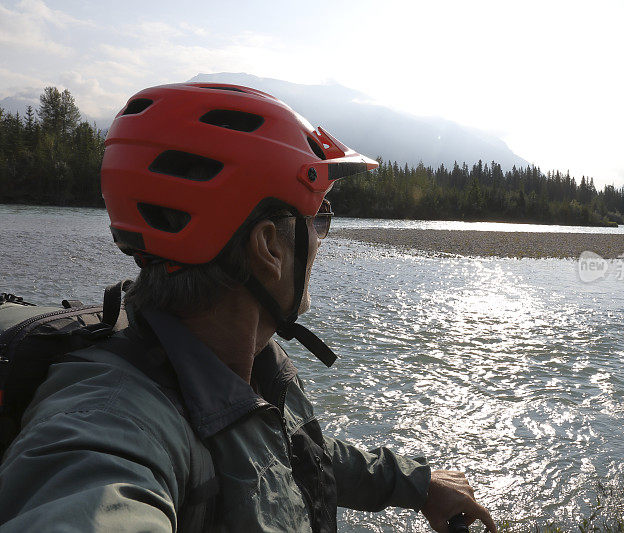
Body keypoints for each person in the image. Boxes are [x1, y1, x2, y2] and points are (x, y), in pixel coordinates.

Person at [0, 83, 497, 533]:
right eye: (317, 219)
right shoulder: (112, 423)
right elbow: (87, 496)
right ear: (268, 248)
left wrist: (414, 483)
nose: (321, 242)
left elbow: (296, 453)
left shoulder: (253, 364)